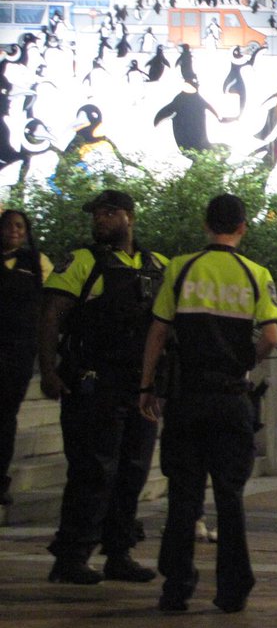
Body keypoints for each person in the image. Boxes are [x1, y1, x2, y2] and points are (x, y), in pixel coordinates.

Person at [139, 193, 277, 613]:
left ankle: (176, 586)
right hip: (231, 398)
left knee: (184, 495)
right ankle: (233, 588)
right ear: (242, 228)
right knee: (230, 496)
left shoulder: (181, 269)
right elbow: (271, 337)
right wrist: (243, 362)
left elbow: (159, 332)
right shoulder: (256, 273)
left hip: (187, 399)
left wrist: (146, 385)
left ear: (206, 225)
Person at [38, 189, 167, 585]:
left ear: (129, 216)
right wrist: (48, 370)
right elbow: (51, 317)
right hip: (94, 383)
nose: (100, 220)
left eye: (108, 213)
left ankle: (119, 552)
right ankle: (72, 555)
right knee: (93, 472)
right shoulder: (82, 261)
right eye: (96, 214)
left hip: (139, 387)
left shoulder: (157, 265)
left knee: (133, 471)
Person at [0, 209, 52, 506]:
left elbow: (50, 305)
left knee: (6, 417)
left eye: (20, 226)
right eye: (8, 225)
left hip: (18, 351)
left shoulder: (37, 262)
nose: (14, 231)